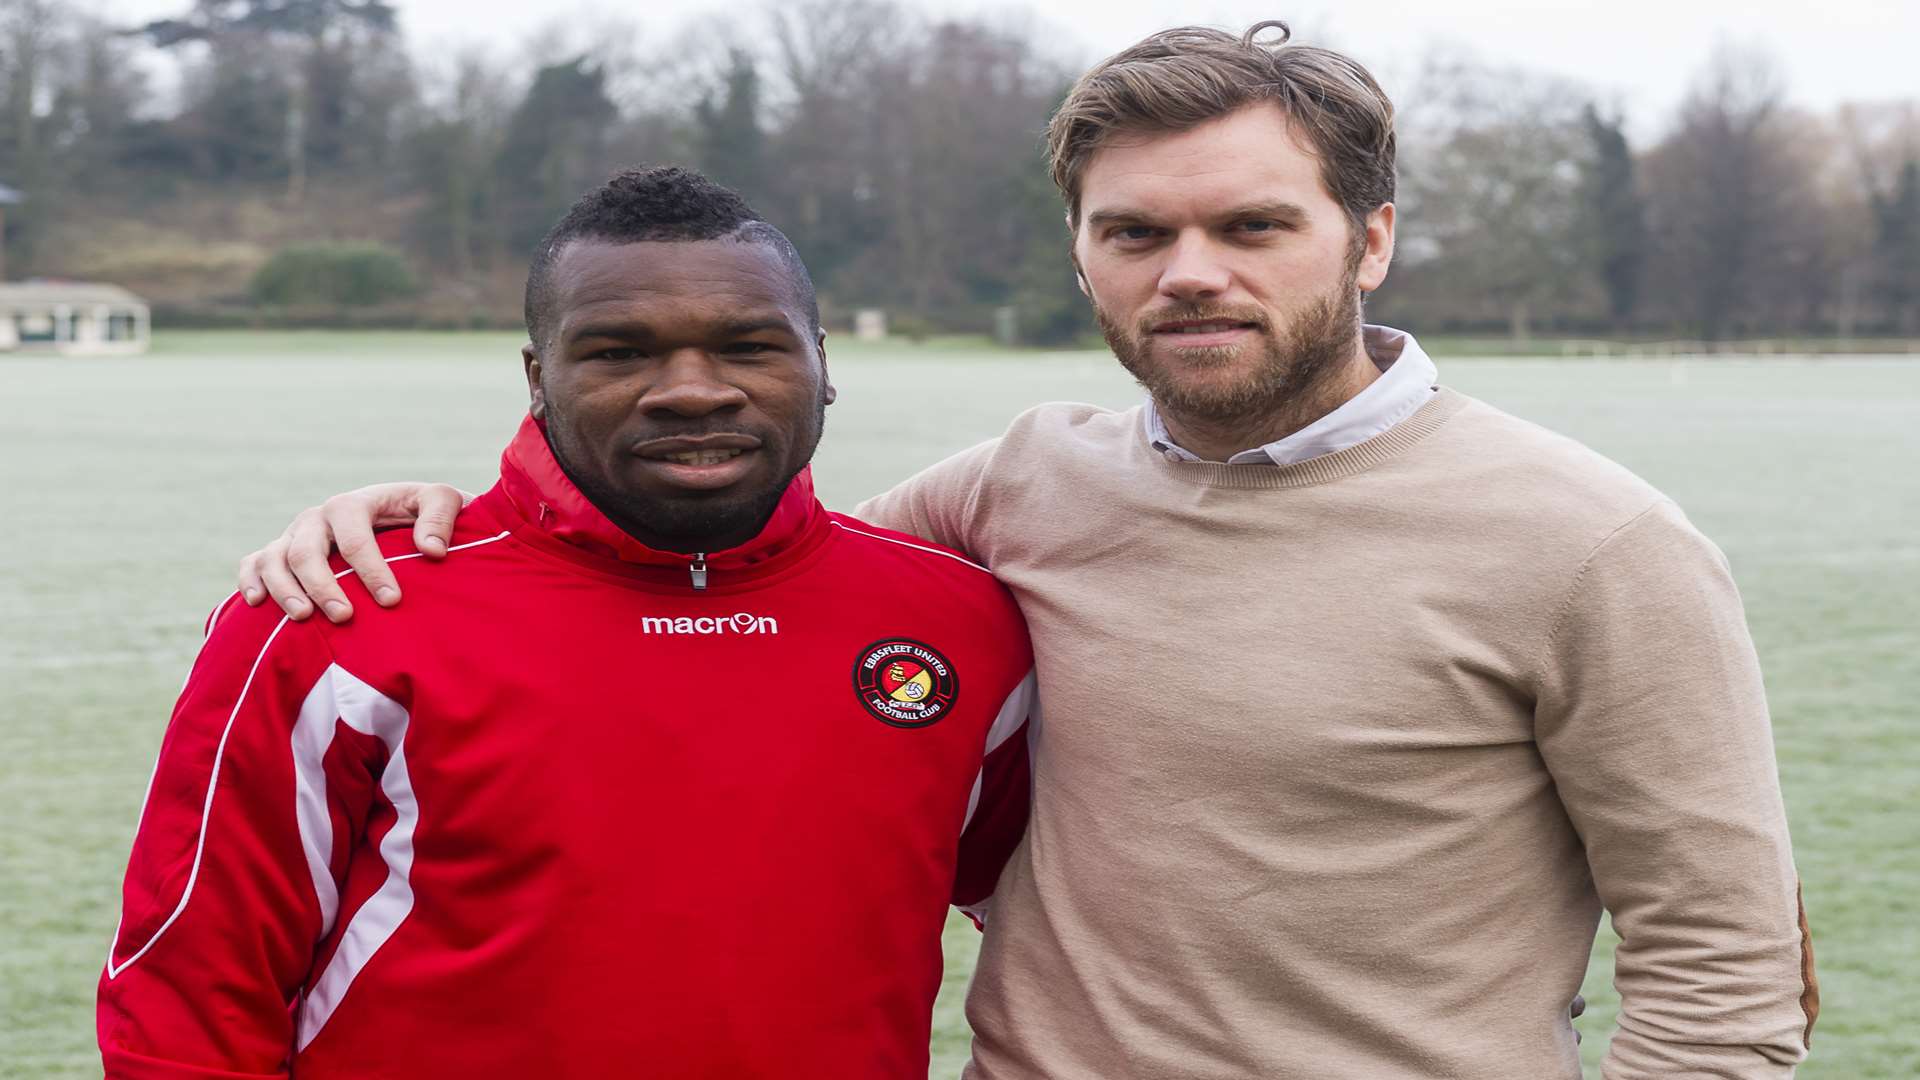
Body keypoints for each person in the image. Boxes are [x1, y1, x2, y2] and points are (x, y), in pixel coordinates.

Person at [238, 22, 1819, 1080]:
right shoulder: (1017, 489)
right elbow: (728, 573)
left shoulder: (1595, 542)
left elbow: (1725, 973)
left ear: (1372, 236)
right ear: (1083, 251)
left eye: (1253, 227)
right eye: (1136, 233)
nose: (1189, 274)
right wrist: (449, 518)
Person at [99, 167, 1037, 1078]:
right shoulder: (341, 614)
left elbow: (1074, 928)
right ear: (536, 376)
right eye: (619, 352)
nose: (693, 389)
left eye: (750, 345)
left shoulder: (963, 621)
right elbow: (186, 998)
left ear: (823, 363)